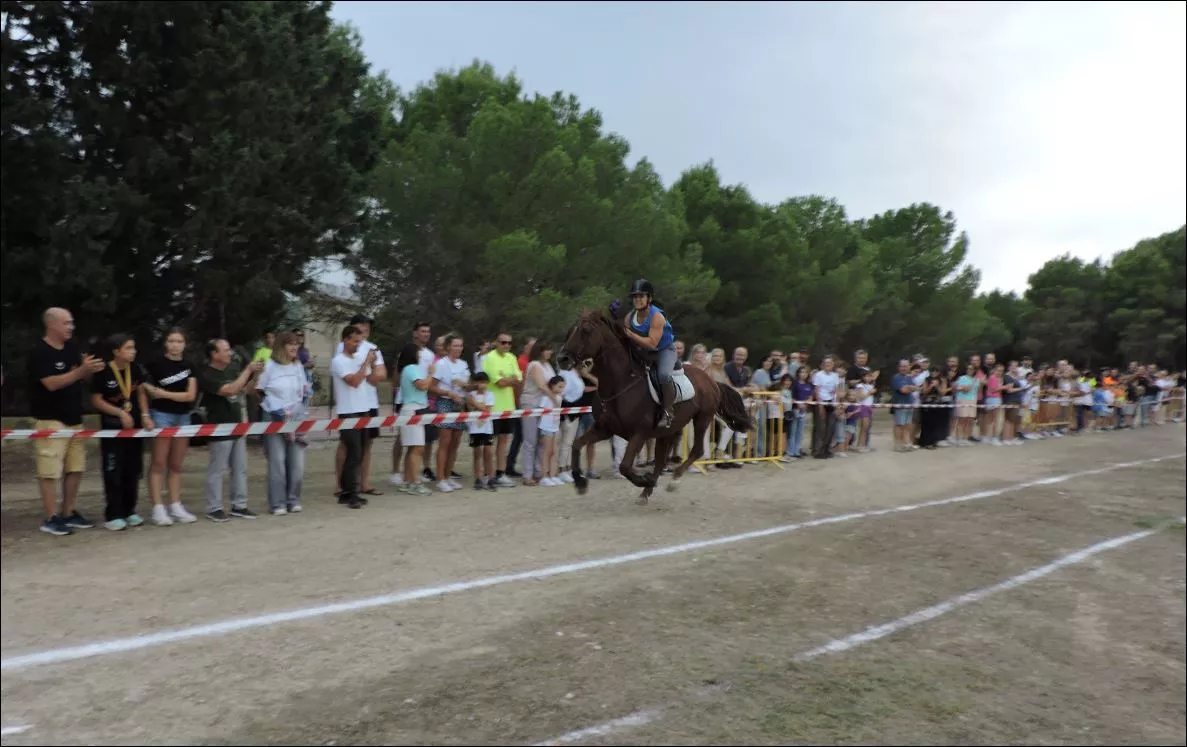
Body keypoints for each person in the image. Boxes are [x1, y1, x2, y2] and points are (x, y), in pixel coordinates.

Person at [27, 307, 106, 536]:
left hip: (74, 417)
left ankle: (68, 512)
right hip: (49, 419)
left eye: (71, 323)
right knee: (50, 470)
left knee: (75, 467)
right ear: (51, 324)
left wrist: (89, 369)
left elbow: (78, 377)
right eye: (66, 323)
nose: (71, 327)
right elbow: (51, 383)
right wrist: (80, 371)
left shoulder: (71, 348)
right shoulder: (39, 352)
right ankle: (50, 517)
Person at [200, 339, 264, 521]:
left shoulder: (234, 368)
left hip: (238, 424)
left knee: (240, 468)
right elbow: (230, 390)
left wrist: (256, 375)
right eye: (225, 350)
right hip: (219, 426)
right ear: (214, 354)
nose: (230, 353)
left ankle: (240, 505)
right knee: (217, 468)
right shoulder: (207, 374)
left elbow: (247, 390)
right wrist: (248, 370)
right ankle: (214, 507)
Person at [91, 333, 149, 531]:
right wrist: (119, 413)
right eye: (128, 348)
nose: (133, 351)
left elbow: (140, 391)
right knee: (113, 470)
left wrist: (146, 414)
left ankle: (129, 510)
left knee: (133, 469)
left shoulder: (136, 369)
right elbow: (96, 400)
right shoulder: (104, 371)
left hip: (134, 427)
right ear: (116, 351)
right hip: (112, 428)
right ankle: (113, 513)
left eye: (134, 348)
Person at [142, 327, 199, 525]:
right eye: (172, 341)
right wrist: (146, 412)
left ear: (185, 344)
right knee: (158, 462)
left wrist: (163, 393)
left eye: (179, 341)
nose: (175, 344)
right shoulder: (155, 364)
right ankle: (158, 507)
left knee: (176, 464)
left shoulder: (190, 365)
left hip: (183, 416)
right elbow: (142, 387)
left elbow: (190, 395)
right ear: (166, 343)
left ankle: (176, 504)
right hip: (161, 415)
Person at [257, 332, 309, 515]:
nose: (294, 347)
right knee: (277, 462)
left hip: (295, 419)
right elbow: (259, 390)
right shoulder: (269, 366)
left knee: (297, 464)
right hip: (273, 418)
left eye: (297, 344)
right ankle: (277, 503)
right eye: (290, 344)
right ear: (281, 346)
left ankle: (293, 499)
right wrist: (272, 407)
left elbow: (304, 392)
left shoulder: (298, 367)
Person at [622, 279, 678, 429]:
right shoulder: (629, 317)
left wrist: (631, 335)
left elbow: (652, 343)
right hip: (644, 352)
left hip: (664, 351)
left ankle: (668, 412)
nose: (637, 300)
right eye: (635, 297)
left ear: (649, 298)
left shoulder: (657, 317)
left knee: (664, 375)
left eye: (641, 296)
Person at [331, 325, 375, 509]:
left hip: (362, 408)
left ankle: (351, 490)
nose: (358, 345)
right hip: (348, 410)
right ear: (345, 340)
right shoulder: (338, 361)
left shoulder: (357, 358)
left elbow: (371, 379)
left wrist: (369, 363)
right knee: (353, 452)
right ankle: (348, 492)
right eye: (355, 341)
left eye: (360, 341)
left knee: (360, 452)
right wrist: (365, 363)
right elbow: (354, 382)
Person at [482, 332, 522, 487]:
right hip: (493, 407)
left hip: (508, 406)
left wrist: (507, 378)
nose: (506, 345)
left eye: (509, 343)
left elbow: (518, 379)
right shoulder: (489, 358)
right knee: (489, 443)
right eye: (503, 342)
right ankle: (488, 474)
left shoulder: (511, 357)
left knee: (504, 441)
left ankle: (500, 473)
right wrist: (508, 379)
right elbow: (498, 383)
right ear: (496, 343)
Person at [396, 343, 433, 497]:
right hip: (413, 410)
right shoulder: (411, 368)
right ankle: (415, 483)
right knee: (417, 448)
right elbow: (423, 385)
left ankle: (407, 480)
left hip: (413, 409)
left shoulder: (407, 369)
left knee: (413, 448)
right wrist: (431, 374)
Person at [467, 372, 496, 491]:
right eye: (479, 382)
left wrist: (474, 403)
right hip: (474, 428)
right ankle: (478, 478)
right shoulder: (471, 394)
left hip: (487, 428)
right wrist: (473, 403)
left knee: (488, 452)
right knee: (477, 452)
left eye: (484, 382)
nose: (481, 385)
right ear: (475, 383)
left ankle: (490, 477)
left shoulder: (490, 395)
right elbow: (469, 407)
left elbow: (487, 409)